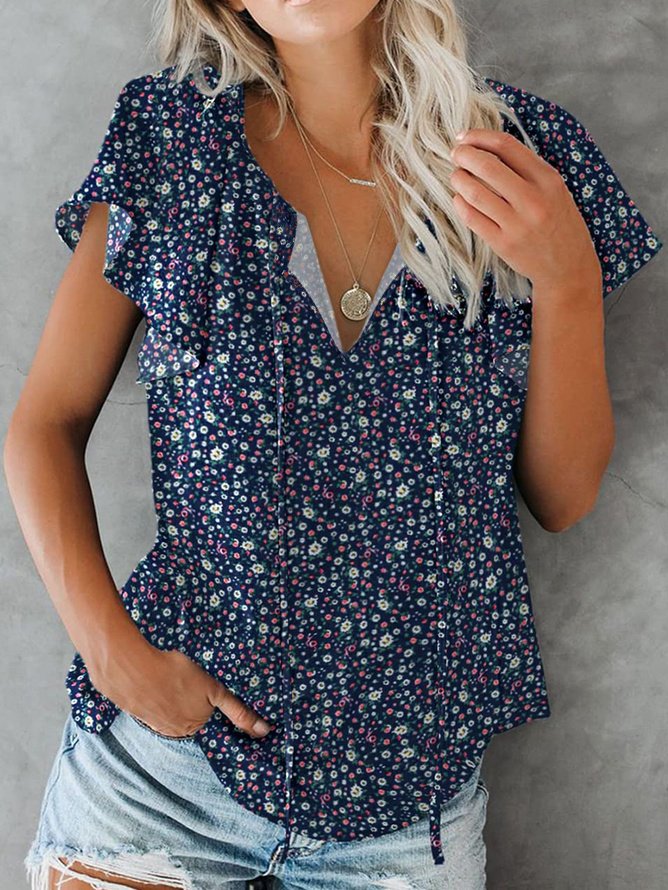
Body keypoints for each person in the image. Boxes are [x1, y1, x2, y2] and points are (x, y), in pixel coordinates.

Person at [6, 1, 663, 888]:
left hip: (406, 816)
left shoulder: (523, 159)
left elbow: (563, 497)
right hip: (159, 788)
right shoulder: (170, 140)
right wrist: (113, 656)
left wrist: (568, 277)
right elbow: (45, 424)